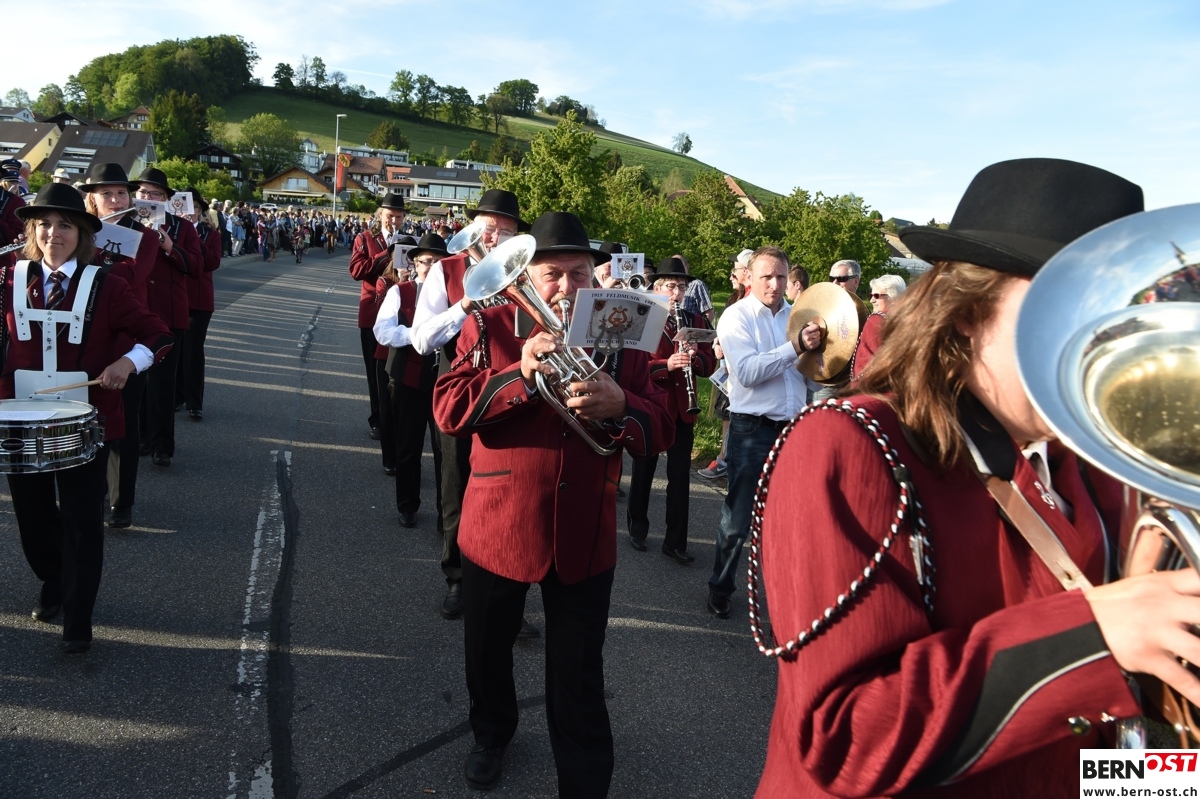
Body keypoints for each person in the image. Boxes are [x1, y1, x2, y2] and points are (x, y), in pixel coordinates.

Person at [752, 158, 1181, 797]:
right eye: (1070, 309)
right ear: (965, 313)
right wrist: (1095, 637)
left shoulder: (1094, 467)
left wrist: (1172, 780)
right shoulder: (847, 444)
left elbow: (1094, 745)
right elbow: (844, 741)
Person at [433, 211, 673, 794]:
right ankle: (491, 734)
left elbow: (663, 424)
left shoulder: (621, 328)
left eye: (579, 273)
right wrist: (519, 374)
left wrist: (623, 406)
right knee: (487, 650)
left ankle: (584, 782)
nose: (566, 287)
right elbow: (448, 409)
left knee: (580, 671)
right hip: (499, 523)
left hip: (584, 531)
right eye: (552, 274)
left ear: (595, 275)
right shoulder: (490, 320)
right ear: (527, 275)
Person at [5, 183, 172, 653]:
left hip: (87, 423)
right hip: (22, 421)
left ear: (82, 234)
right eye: (43, 225)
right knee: (33, 519)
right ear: (31, 232)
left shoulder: (108, 284)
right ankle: (55, 580)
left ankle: (78, 619)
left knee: (82, 519)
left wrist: (127, 363)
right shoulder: (7, 278)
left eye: (64, 225)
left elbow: (157, 335)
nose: (52, 234)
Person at [411, 188, 529, 622]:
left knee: (510, 493)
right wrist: (465, 305)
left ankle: (506, 592)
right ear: (474, 228)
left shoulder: (525, 272)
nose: (494, 238)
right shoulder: (447, 270)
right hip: (461, 394)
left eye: (505, 231)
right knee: (456, 486)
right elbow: (421, 340)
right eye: (488, 228)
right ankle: (458, 578)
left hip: (512, 394)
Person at [706, 246, 821, 619]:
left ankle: (782, 596)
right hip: (752, 428)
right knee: (739, 518)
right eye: (766, 276)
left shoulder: (798, 317)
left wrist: (822, 359)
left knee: (788, 518)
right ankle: (721, 586)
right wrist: (795, 347)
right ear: (750, 278)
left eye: (781, 277)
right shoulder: (736, 316)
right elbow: (747, 373)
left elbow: (811, 382)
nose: (774, 284)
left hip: (793, 428)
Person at [79, 162, 160, 529]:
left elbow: (131, 275)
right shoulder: (78, 231)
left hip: (128, 343)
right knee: (85, 419)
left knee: (122, 423)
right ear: (93, 200)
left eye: (121, 193)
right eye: (106, 194)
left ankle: (121, 501)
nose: (115, 200)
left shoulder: (145, 236)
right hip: (83, 340)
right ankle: (90, 494)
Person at [627, 257, 716, 562]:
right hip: (652, 405)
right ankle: (637, 527)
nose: (676, 292)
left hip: (683, 408)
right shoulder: (643, 318)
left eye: (680, 286)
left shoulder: (696, 321)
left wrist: (695, 357)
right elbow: (634, 367)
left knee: (679, 478)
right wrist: (666, 364)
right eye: (669, 286)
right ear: (657, 288)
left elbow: (709, 364)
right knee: (644, 470)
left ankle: (676, 541)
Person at [374, 233, 446, 527]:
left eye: (438, 262)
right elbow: (382, 331)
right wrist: (415, 336)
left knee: (445, 452)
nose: (431, 267)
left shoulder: (454, 296)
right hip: (407, 377)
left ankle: (446, 514)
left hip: (444, 380)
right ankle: (407, 504)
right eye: (426, 261)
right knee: (408, 445)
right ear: (415, 264)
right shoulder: (400, 292)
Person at [132, 168, 201, 469]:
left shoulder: (182, 227)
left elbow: (197, 266)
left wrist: (170, 247)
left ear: (165, 199)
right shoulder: (126, 223)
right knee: (136, 380)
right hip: (133, 311)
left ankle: (162, 446)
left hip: (168, 313)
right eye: (143, 193)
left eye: (155, 194)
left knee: (162, 382)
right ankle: (140, 437)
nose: (148, 198)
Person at [349, 194, 409, 442]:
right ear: (380, 215)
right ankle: (378, 419)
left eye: (398, 217)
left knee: (397, 371)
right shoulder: (364, 238)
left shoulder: (408, 239)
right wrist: (386, 254)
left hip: (401, 314)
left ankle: (396, 418)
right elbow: (356, 270)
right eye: (389, 216)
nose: (393, 221)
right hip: (373, 313)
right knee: (375, 372)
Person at [697, 248, 753, 481]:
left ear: (748, 271)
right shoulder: (738, 296)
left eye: (736, 269)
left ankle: (727, 460)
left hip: (739, 370)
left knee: (732, 413)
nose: (732, 274)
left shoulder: (753, 300)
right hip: (727, 367)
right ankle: (725, 458)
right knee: (726, 413)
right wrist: (719, 342)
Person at [178, 189, 221, 422]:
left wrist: (195, 238)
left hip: (199, 299)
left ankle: (194, 403)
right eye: (184, 206)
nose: (189, 211)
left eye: (194, 207)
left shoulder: (209, 233)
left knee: (193, 350)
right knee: (173, 350)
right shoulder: (170, 230)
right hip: (174, 297)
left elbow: (213, 262)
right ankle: (177, 396)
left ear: (200, 211)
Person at [850, 272, 906, 381]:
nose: (872, 300)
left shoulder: (876, 319)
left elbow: (870, 362)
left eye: (876, 296)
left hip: (871, 386)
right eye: (871, 296)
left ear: (893, 298)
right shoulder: (908, 319)